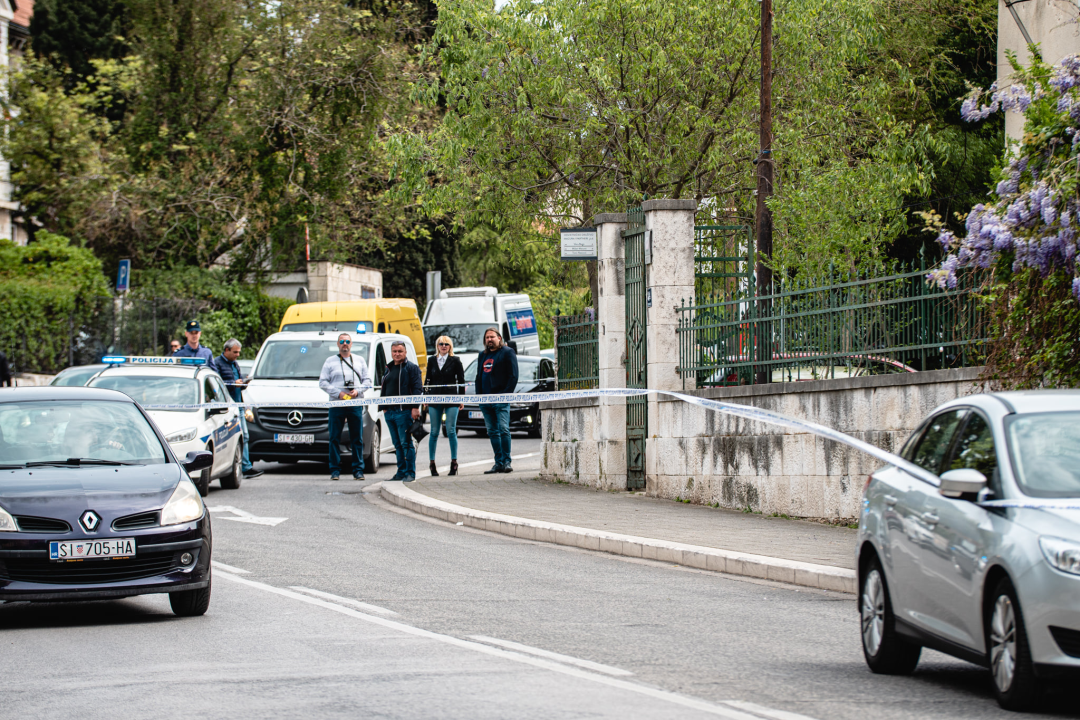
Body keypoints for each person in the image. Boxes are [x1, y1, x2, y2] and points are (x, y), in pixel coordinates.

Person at [318, 333, 373, 481]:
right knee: (334, 437)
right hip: (337, 404)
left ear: (351, 344)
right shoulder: (330, 361)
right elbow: (323, 382)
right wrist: (339, 393)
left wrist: (358, 390)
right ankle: (335, 470)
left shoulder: (359, 360)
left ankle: (358, 470)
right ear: (337, 344)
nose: (345, 344)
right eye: (342, 341)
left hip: (354, 403)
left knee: (357, 438)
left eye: (347, 341)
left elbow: (368, 381)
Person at [213, 338, 262, 479]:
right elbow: (217, 386)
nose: (237, 355)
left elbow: (238, 385)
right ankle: (229, 467)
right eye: (235, 352)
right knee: (228, 438)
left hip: (239, 404)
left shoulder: (235, 364)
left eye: (239, 352)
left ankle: (246, 466)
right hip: (227, 408)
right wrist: (232, 384)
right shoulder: (217, 364)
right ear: (226, 350)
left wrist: (244, 383)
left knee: (245, 436)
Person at [475, 326, 519, 474]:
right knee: (492, 431)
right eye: (487, 337)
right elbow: (479, 377)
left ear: (499, 338)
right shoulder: (482, 355)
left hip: (501, 399)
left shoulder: (507, 353)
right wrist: (479, 397)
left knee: (503, 429)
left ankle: (507, 461)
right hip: (485, 401)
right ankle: (498, 462)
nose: (489, 340)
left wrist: (505, 395)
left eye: (492, 337)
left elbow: (513, 376)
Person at [422, 335, 466, 477]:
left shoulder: (455, 360)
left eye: (446, 344)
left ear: (450, 346)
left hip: (451, 397)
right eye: (441, 344)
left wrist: (461, 398)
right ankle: (432, 463)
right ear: (437, 346)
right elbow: (428, 379)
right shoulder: (431, 360)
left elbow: (461, 380)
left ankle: (454, 462)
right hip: (435, 397)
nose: (443, 346)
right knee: (434, 431)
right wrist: (426, 396)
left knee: (451, 430)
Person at [379, 340, 422, 482]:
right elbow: (384, 389)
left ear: (405, 352)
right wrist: (384, 408)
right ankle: (401, 472)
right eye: (394, 351)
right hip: (389, 413)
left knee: (406, 443)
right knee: (396, 444)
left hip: (404, 412)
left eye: (400, 351)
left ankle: (410, 473)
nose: (397, 354)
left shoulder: (412, 368)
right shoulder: (388, 368)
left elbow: (417, 389)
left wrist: (415, 408)